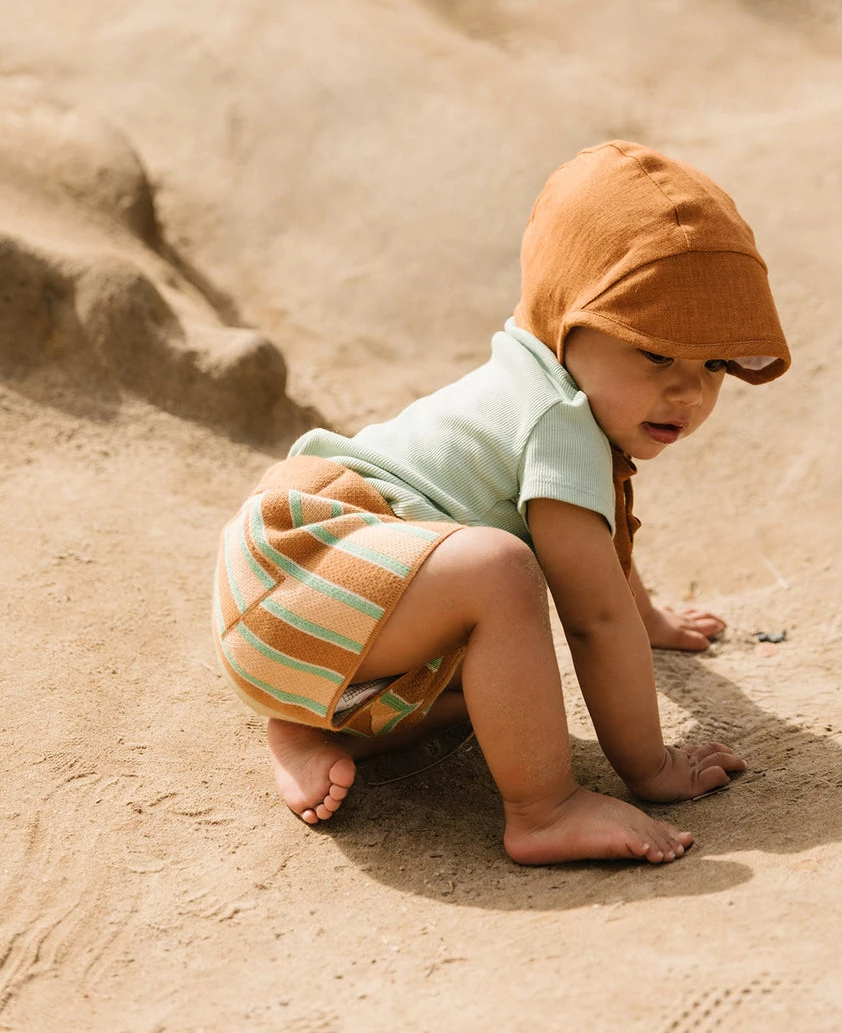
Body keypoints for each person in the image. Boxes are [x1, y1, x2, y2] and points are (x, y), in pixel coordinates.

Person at [212, 140, 790, 865]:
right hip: (304, 566)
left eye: (713, 365)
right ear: (569, 319)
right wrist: (652, 768)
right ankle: (544, 811)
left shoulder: (543, 373)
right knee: (500, 570)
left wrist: (649, 620)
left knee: (504, 691)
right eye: (654, 352)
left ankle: (313, 725)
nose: (689, 391)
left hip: (318, 613)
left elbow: (601, 564)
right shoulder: (560, 418)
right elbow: (593, 617)